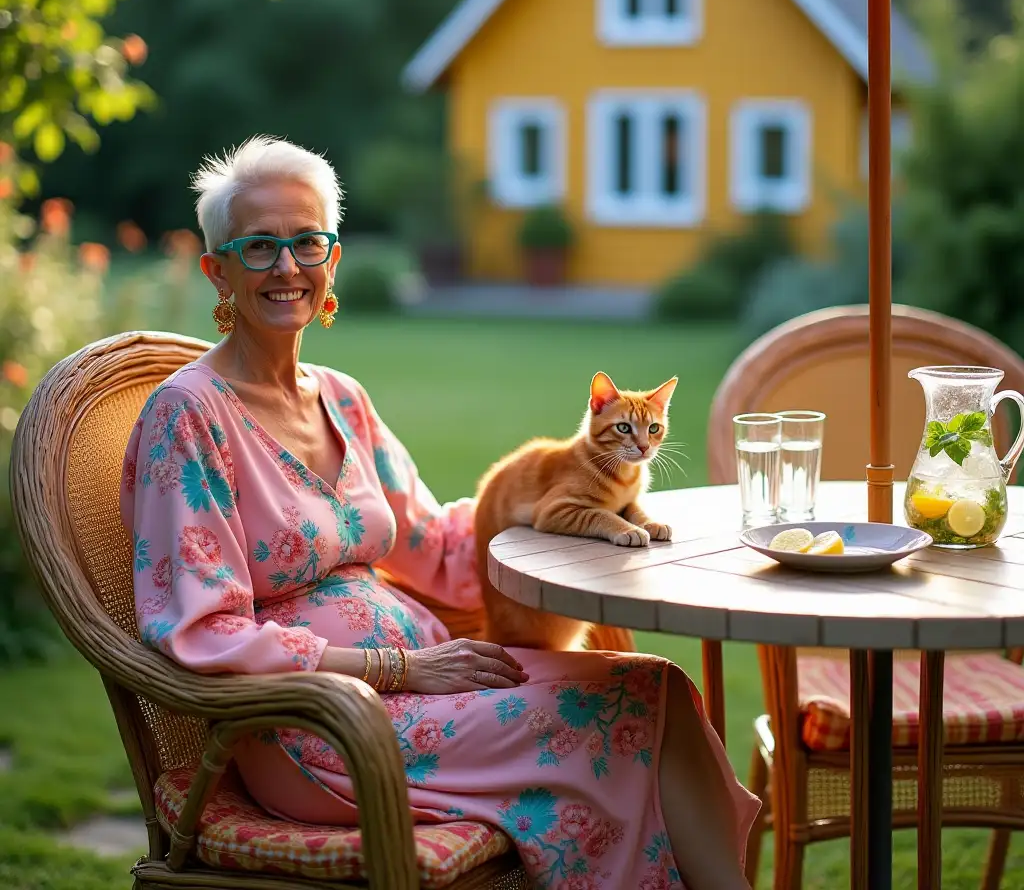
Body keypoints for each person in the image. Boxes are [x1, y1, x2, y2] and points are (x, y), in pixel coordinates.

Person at [121, 136, 759, 890]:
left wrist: (543, 493)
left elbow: (441, 547)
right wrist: (399, 668)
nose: (287, 266)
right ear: (218, 268)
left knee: (661, 687)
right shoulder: (188, 416)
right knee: (622, 708)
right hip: (315, 728)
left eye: (307, 242)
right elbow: (203, 630)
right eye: (259, 246)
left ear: (333, 260)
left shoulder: (342, 398)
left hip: (434, 682)